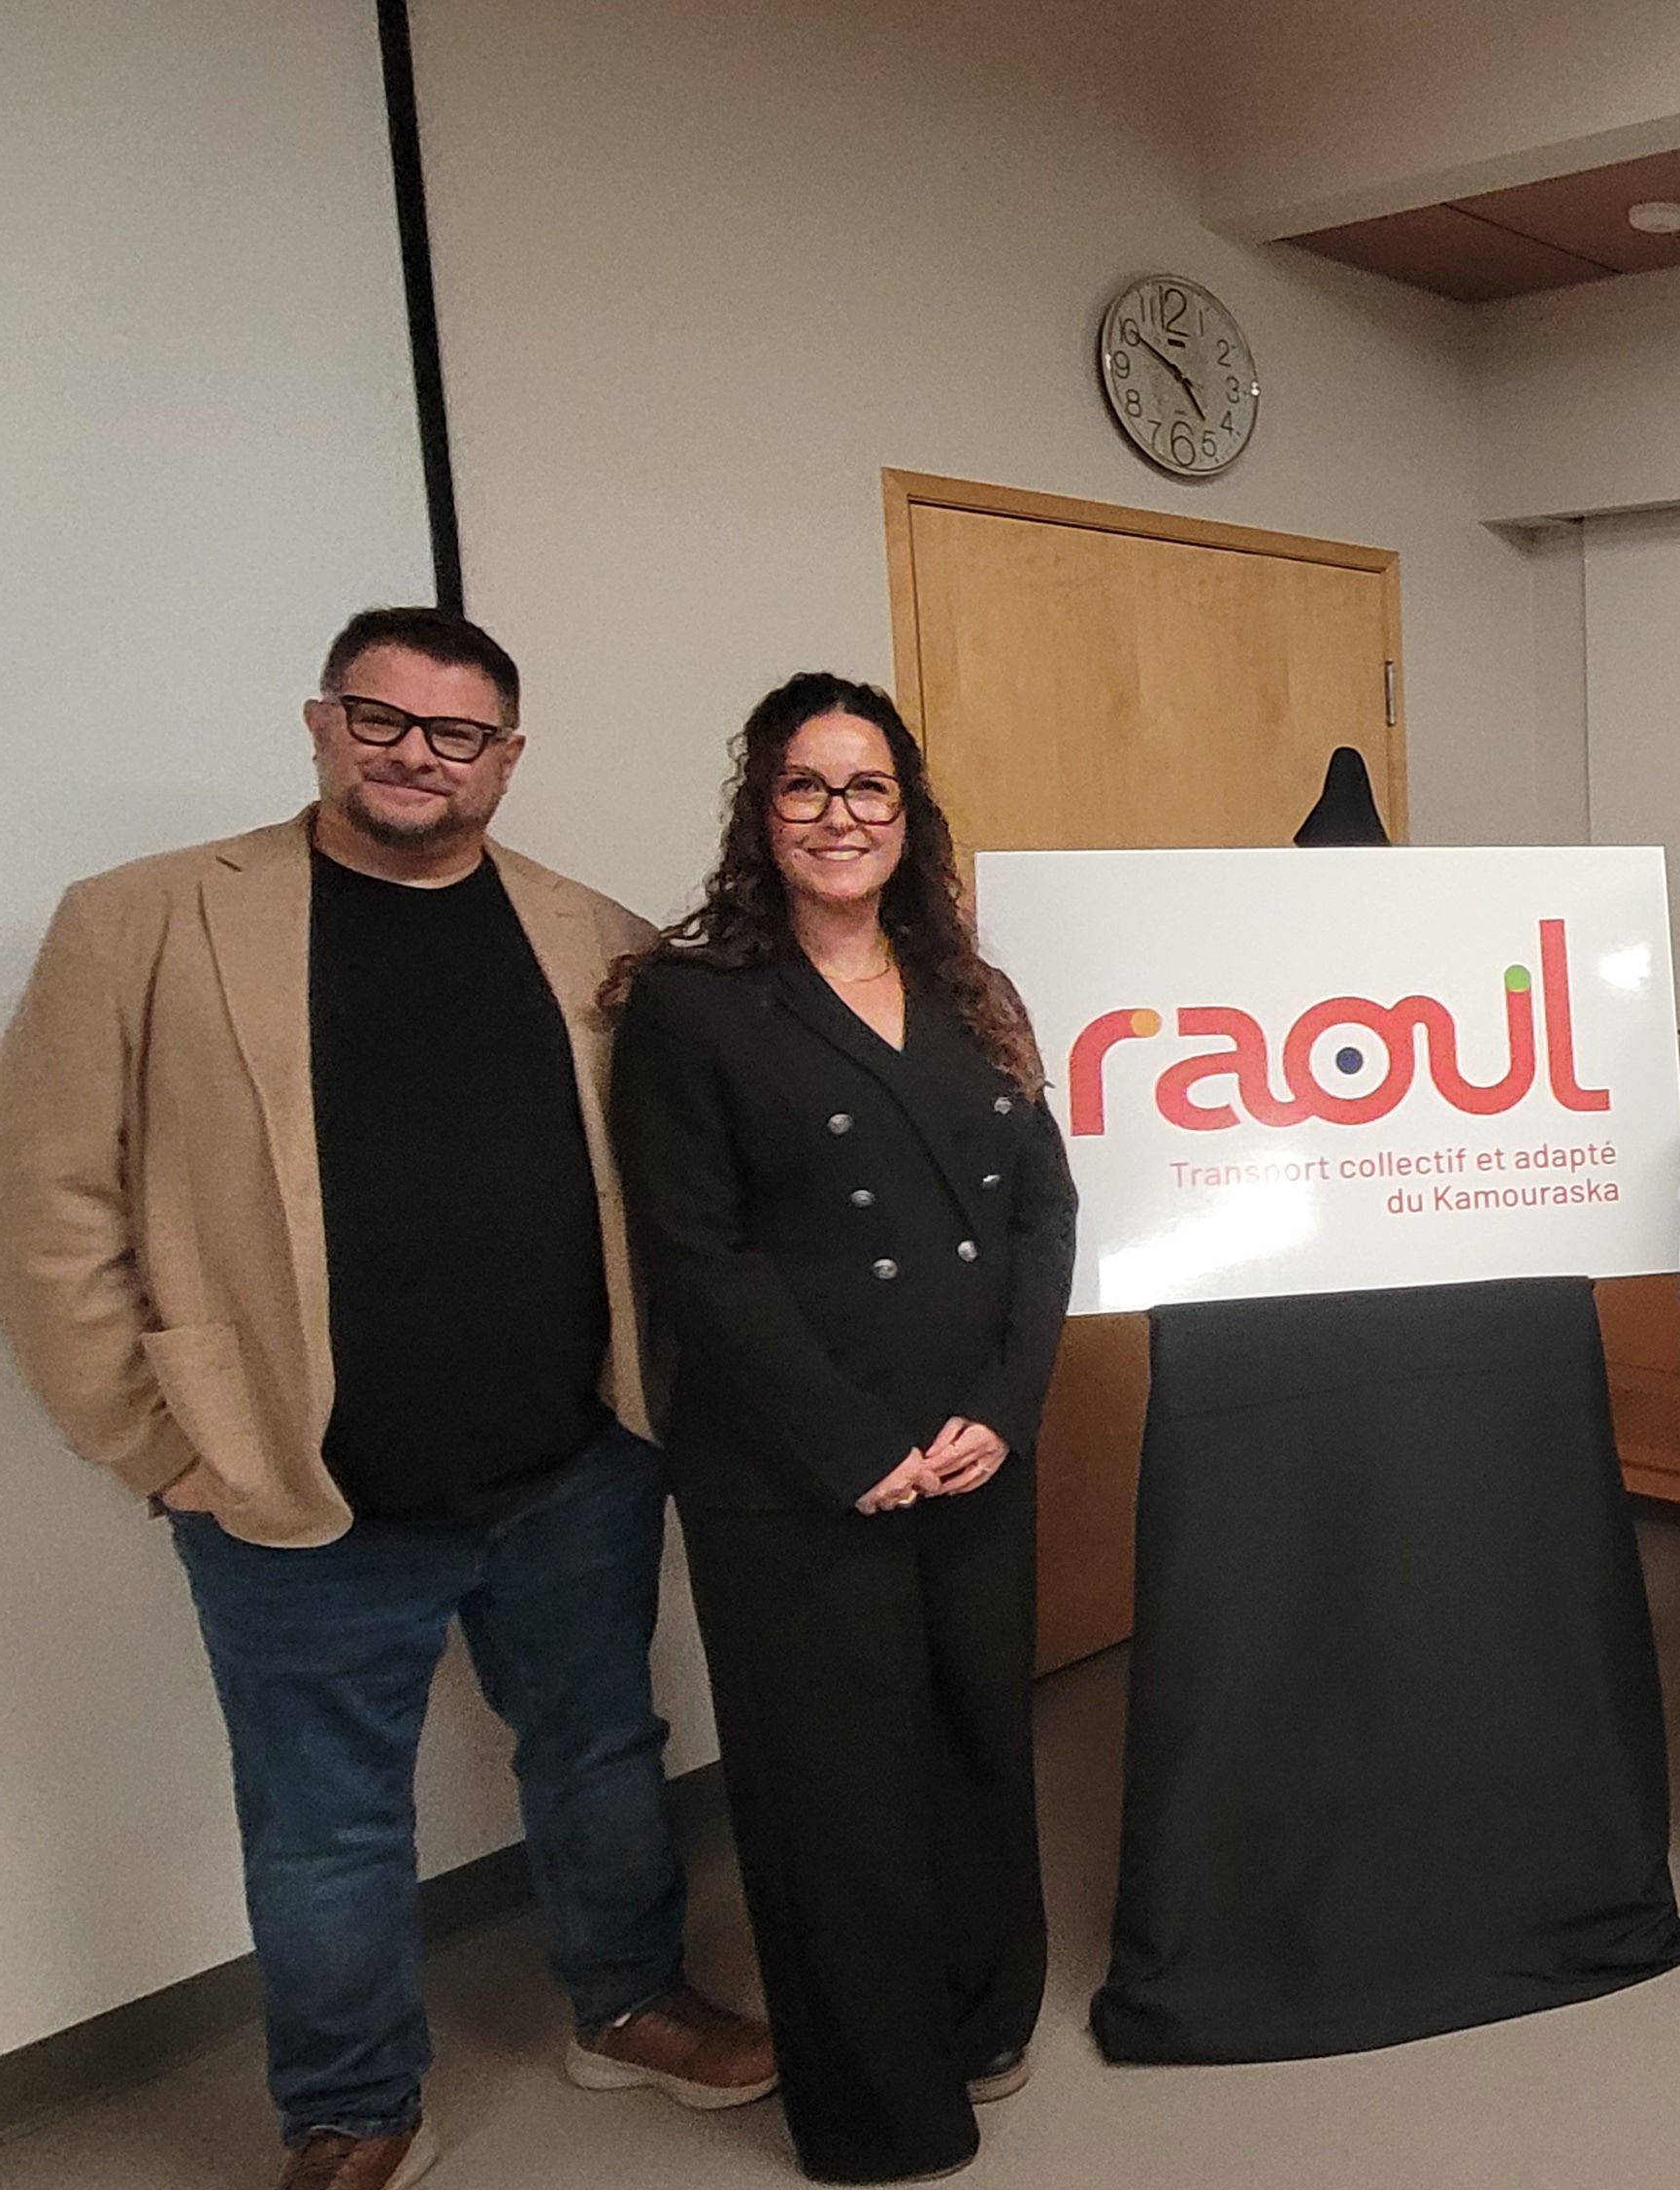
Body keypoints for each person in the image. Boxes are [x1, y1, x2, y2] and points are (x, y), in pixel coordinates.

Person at [0, 606, 774, 2190]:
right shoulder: (144, 920)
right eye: (382, 718)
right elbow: (43, 1199)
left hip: (572, 1468)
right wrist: (156, 1445)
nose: (417, 754)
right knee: (325, 1823)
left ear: (506, 757)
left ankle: (627, 2002)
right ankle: (351, 2107)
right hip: (294, 1486)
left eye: (457, 732)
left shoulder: (595, 933)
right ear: (323, 724)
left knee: (603, 1753)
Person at [608, 673, 1073, 2183]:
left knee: (975, 1745)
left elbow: (1044, 1212)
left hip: (973, 1451)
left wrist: (1004, 1404)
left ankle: (983, 2015)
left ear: (907, 813)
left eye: (867, 787)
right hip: (796, 1473)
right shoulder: (690, 1003)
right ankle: (880, 2110)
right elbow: (698, 1254)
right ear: (761, 811)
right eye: (804, 787)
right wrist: (852, 1444)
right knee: (836, 1791)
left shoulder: (968, 989)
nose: (838, 816)